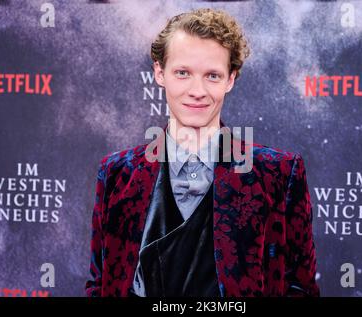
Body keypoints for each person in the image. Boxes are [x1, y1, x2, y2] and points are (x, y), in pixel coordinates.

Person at [86, 8, 319, 297]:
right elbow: (100, 285)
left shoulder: (278, 174)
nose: (197, 90)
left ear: (230, 79)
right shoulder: (117, 173)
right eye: (183, 73)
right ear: (160, 73)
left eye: (212, 75)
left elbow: (300, 288)